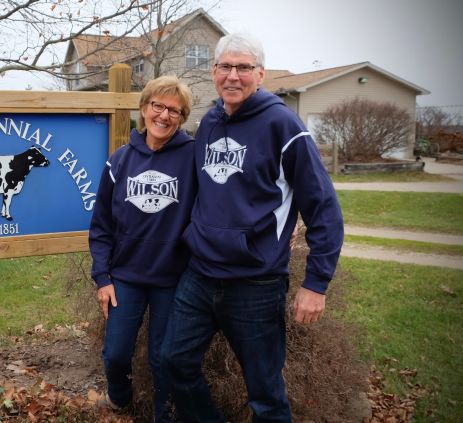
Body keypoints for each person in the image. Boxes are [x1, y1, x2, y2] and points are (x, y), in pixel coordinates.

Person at [161, 31, 344, 422]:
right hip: (200, 275)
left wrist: (316, 283)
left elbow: (323, 207)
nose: (233, 76)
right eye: (225, 66)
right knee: (174, 361)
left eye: (243, 68)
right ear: (212, 71)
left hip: (255, 283)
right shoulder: (208, 122)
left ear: (260, 74)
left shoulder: (283, 125)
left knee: (265, 391)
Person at [89, 75, 196, 422]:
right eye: (158, 106)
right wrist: (103, 277)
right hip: (126, 277)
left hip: (173, 278)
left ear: (182, 118)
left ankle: (162, 415)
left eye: (174, 111)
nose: (164, 116)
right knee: (116, 354)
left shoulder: (193, 159)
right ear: (144, 108)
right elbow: (101, 225)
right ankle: (119, 397)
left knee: (163, 358)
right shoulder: (119, 161)